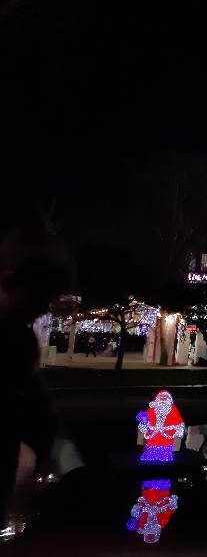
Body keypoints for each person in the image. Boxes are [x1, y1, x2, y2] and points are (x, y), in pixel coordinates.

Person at [0, 219, 72, 524]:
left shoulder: (19, 337)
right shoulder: (13, 339)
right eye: (40, 297)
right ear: (10, 282)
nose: (44, 309)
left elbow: (37, 411)